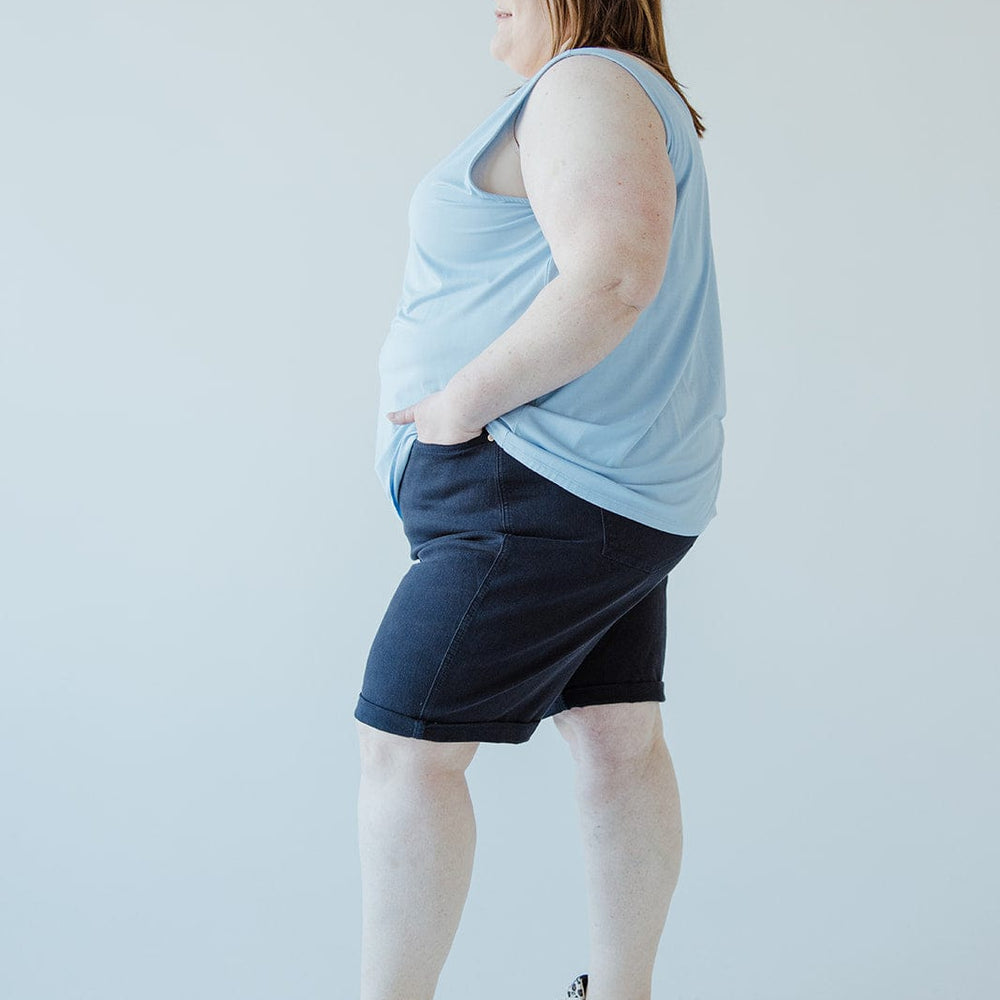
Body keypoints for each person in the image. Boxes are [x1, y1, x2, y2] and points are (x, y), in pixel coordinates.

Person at [355, 2, 726, 998]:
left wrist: (454, 408)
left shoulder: (583, 82)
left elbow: (613, 274)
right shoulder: (603, 88)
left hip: (532, 485)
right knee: (615, 735)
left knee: (403, 751)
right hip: (594, 491)